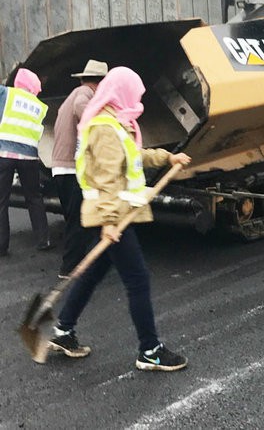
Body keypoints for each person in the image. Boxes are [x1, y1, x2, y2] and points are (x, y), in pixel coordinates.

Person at [48, 66, 191, 371]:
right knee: (137, 280)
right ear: (121, 92)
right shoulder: (104, 127)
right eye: (135, 94)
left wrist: (168, 157)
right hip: (113, 217)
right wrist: (110, 222)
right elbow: (108, 177)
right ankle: (150, 349)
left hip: (115, 216)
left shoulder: (116, 124)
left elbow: (134, 156)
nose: (138, 100)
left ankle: (63, 330)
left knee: (92, 273)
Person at [51, 59, 109, 278]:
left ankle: (84, 261)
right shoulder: (84, 95)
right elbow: (84, 112)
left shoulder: (72, 96)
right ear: (99, 82)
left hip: (61, 167)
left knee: (79, 219)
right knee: (79, 220)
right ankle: (69, 269)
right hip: (71, 169)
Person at [0, 68, 52, 256]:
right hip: (29, 157)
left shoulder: (7, 94)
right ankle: (43, 239)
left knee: (1, 201)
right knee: (34, 197)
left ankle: (2, 245)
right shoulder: (40, 106)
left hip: (4, 154)